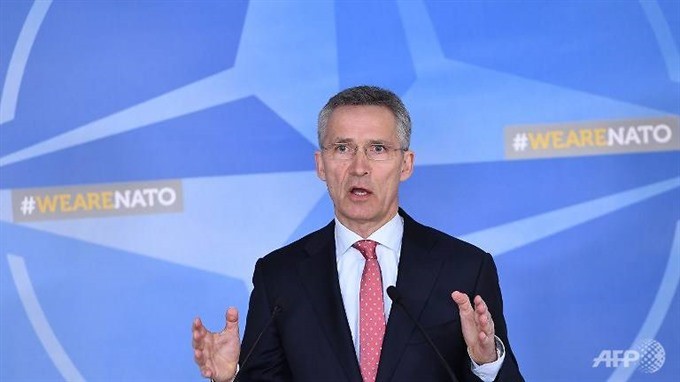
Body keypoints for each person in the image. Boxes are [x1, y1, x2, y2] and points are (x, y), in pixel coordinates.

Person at [192, 86, 524, 382]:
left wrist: (486, 364)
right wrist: (229, 380)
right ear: (321, 164)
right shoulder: (279, 277)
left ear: (405, 164)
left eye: (377, 148)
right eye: (342, 149)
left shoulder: (465, 267)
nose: (359, 167)